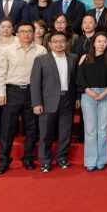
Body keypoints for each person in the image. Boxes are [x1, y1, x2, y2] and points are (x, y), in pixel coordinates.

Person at [0, 21, 47, 175]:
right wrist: (1, 93)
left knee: (31, 128)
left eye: (30, 31)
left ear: (34, 33)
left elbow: (44, 75)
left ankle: (28, 158)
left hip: (33, 92)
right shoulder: (7, 50)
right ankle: (3, 161)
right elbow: (1, 73)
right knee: (7, 129)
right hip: (12, 92)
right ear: (16, 34)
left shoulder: (41, 50)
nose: (26, 34)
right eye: (23, 31)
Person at [31, 31, 80, 173]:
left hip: (68, 99)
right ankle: (45, 161)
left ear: (67, 43)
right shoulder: (41, 60)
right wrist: (36, 103)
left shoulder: (73, 58)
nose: (59, 44)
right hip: (48, 101)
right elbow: (35, 83)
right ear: (50, 44)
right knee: (46, 133)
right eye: (56, 41)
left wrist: (78, 97)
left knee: (65, 132)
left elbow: (77, 80)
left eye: (62, 41)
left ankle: (62, 158)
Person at [77, 32, 107, 172]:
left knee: (103, 129)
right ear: (94, 43)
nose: (101, 44)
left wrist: (105, 92)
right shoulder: (85, 58)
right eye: (99, 41)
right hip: (88, 95)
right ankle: (91, 160)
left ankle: (101, 160)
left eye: (104, 41)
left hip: (106, 94)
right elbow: (80, 77)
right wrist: (89, 91)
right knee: (90, 129)